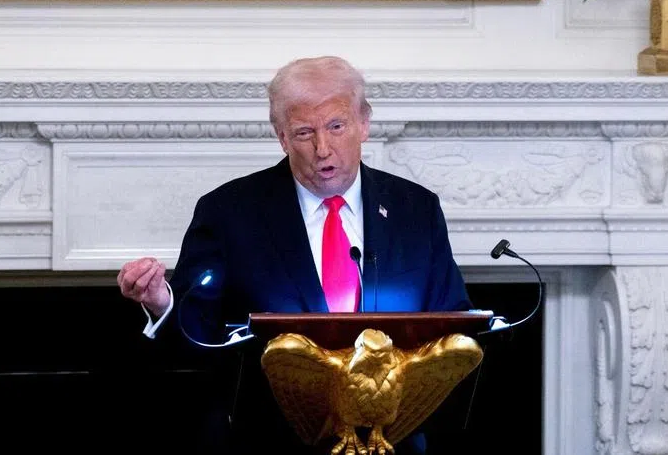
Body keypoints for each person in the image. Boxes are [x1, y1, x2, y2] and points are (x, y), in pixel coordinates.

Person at [117, 56, 471, 454]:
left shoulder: (415, 210)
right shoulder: (229, 213)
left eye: (336, 126)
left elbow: (454, 324)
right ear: (282, 137)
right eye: (304, 133)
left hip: (390, 440)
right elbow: (198, 329)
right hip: (269, 443)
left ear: (364, 124)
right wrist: (160, 301)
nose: (323, 148)